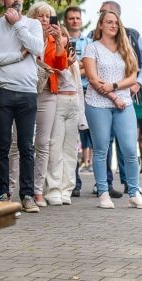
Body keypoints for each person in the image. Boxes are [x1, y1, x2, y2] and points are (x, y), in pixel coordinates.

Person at [0, 0, 44, 213]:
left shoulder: (32, 24)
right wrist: (18, 55)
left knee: (27, 146)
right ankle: (2, 193)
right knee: (3, 145)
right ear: (3, 0)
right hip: (3, 91)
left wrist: (18, 24)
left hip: (28, 92)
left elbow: (38, 48)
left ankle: (27, 195)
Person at [83, 10, 142, 209]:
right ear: (100, 25)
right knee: (101, 149)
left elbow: (133, 76)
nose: (113, 25)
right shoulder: (91, 48)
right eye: (109, 22)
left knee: (129, 149)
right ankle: (103, 193)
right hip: (98, 104)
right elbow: (94, 80)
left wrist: (114, 88)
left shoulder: (125, 47)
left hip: (124, 104)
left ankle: (134, 192)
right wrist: (113, 96)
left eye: (116, 22)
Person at [25, 1, 68, 207]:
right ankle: (13, 188)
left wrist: (59, 40)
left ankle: (38, 190)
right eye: (40, 15)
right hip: (25, 89)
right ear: (32, 17)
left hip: (48, 90)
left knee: (42, 143)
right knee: (20, 142)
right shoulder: (26, 36)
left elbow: (61, 65)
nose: (44, 20)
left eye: (48, 16)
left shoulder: (54, 39)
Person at [44, 27, 87, 205]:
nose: (61, 38)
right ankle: (53, 189)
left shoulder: (74, 62)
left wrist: (82, 116)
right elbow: (51, 74)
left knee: (70, 150)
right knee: (55, 146)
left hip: (73, 104)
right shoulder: (52, 57)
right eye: (58, 35)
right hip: (58, 102)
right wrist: (65, 63)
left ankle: (66, 189)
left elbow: (79, 89)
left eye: (64, 35)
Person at [64, 6, 92, 197]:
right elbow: (63, 66)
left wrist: (74, 66)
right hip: (69, 92)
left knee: (94, 141)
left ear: (81, 21)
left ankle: (102, 184)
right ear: (66, 21)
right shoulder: (62, 41)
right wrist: (79, 65)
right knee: (71, 140)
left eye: (77, 18)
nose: (75, 21)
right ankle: (74, 182)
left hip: (89, 93)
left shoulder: (90, 42)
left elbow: (91, 67)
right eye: (71, 18)